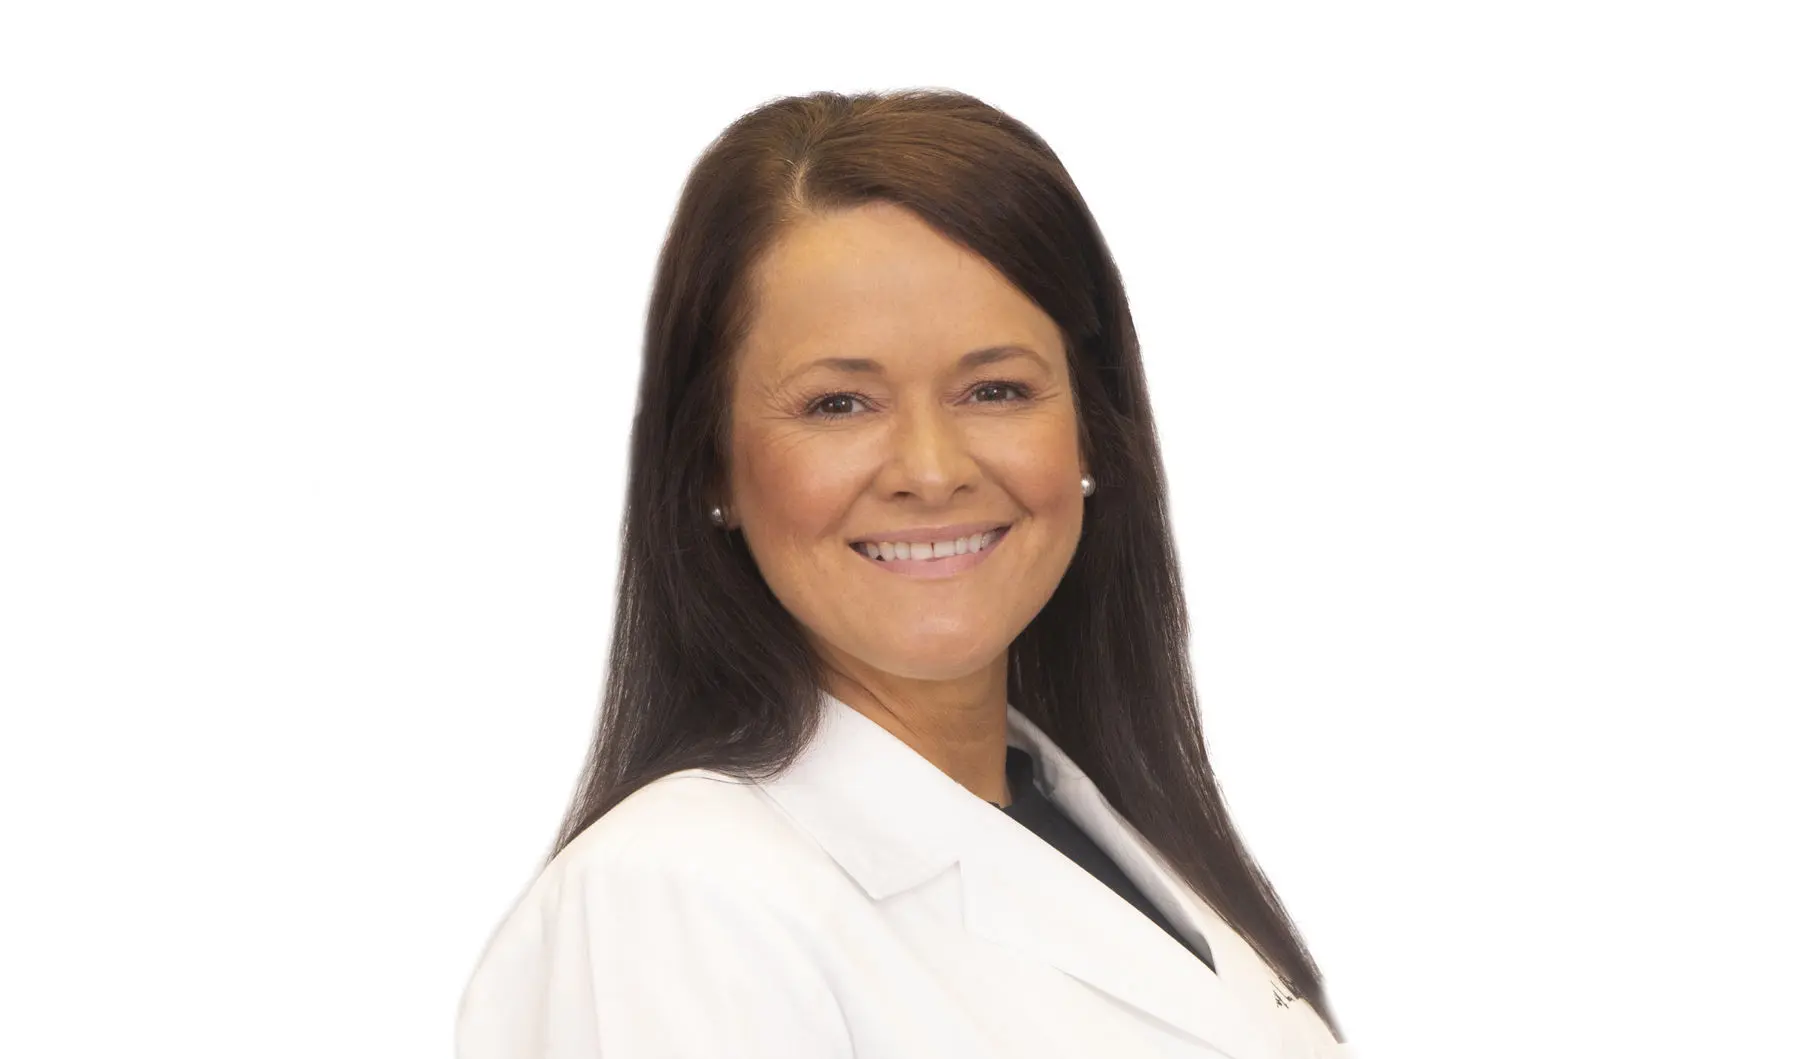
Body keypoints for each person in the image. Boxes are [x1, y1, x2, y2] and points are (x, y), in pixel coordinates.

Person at [456, 88, 1350, 1058]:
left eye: (996, 389)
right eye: (839, 403)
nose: (931, 470)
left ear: (1092, 431)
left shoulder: (1108, 833)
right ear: (712, 466)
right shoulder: (675, 898)